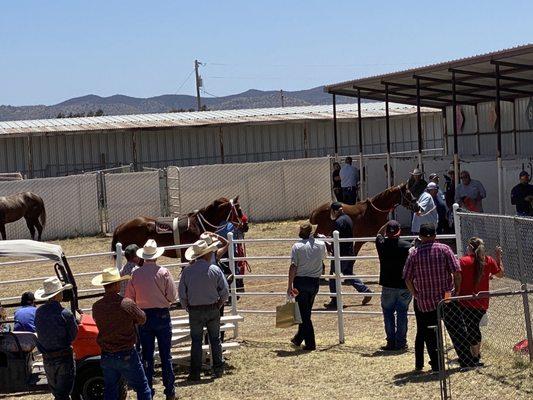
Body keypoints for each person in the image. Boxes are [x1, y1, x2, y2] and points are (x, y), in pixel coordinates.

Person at [403, 224, 473, 371]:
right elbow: (457, 272)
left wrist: (415, 293)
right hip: (446, 296)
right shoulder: (444, 249)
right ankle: (466, 361)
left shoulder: (414, 254)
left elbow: (407, 278)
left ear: (420, 237)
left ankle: (437, 364)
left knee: (430, 334)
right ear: (435, 235)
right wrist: (456, 290)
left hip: (425, 299)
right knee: (457, 328)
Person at [125, 239, 178, 400]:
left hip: (143, 317)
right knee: (165, 355)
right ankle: (170, 391)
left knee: (146, 355)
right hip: (161, 315)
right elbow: (172, 296)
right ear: (156, 255)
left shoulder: (135, 274)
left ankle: (148, 392)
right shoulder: (164, 272)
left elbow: (129, 298)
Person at [92, 267, 152, 400]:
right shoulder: (126, 304)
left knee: (110, 388)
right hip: (126, 352)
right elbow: (142, 319)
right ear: (116, 284)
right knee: (142, 387)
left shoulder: (97, 307)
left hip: (107, 353)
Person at [179, 239, 229, 381]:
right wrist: (219, 304)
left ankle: (195, 372)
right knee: (215, 339)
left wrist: (187, 307)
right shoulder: (215, 270)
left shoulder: (187, 271)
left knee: (196, 341)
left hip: (195, 310)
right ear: (207, 254)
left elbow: (182, 294)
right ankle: (218, 369)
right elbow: (225, 292)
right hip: (212, 308)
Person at [458, 238, 504, 365]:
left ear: (470, 248)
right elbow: (500, 274)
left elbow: (457, 277)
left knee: (470, 327)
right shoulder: (488, 260)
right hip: (482, 301)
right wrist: (498, 257)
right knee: (474, 326)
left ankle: (475, 355)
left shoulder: (463, 261)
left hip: (465, 301)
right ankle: (476, 354)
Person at [34, 277, 78, 400]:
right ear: (57, 294)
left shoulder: (39, 312)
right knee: (63, 393)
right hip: (63, 357)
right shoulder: (65, 313)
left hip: (48, 358)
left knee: (58, 393)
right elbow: (74, 335)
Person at [324, 202, 372, 309]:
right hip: (349, 251)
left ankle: (335, 300)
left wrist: (327, 240)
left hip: (341, 252)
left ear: (335, 211)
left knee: (333, 276)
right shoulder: (348, 218)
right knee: (347, 273)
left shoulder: (338, 222)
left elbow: (336, 239)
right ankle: (365, 290)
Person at [287, 222, 327, 351]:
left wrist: (289, 284)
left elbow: (293, 266)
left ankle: (310, 343)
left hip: (301, 282)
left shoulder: (297, 247)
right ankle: (298, 338)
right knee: (306, 311)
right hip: (314, 282)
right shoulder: (320, 245)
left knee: (304, 315)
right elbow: (323, 260)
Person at [375, 220, 412, 351]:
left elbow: (378, 234)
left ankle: (391, 342)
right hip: (403, 284)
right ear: (399, 231)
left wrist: (385, 224)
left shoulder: (382, 244)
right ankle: (401, 342)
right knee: (402, 313)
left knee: (388, 314)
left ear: (387, 232)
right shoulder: (407, 246)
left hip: (387, 284)